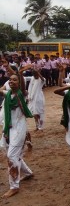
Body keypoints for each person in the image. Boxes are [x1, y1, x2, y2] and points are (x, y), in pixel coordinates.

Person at [0, 68, 34, 198]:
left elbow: (23, 88)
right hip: (8, 128)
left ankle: (14, 186)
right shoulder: (8, 95)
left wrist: (20, 74)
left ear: (20, 83)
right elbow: (2, 90)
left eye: (15, 80)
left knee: (11, 156)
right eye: (10, 79)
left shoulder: (21, 94)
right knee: (13, 153)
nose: (11, 81)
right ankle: (28, 172)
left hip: (19, 128)